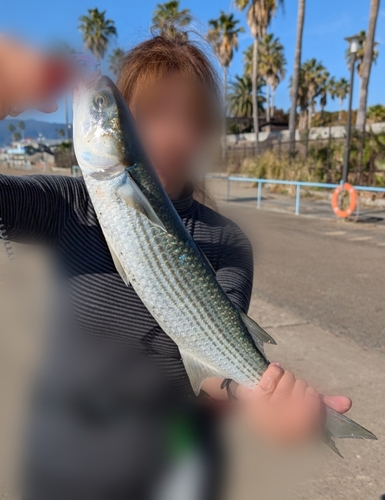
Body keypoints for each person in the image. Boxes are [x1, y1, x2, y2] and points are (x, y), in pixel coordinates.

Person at [0, 35, 352, 500]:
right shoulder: (67, 204)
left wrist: (257, 393)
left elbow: (210, 362)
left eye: (185, 118)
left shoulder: (227, 241)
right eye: (145, 115)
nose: (167, 135)